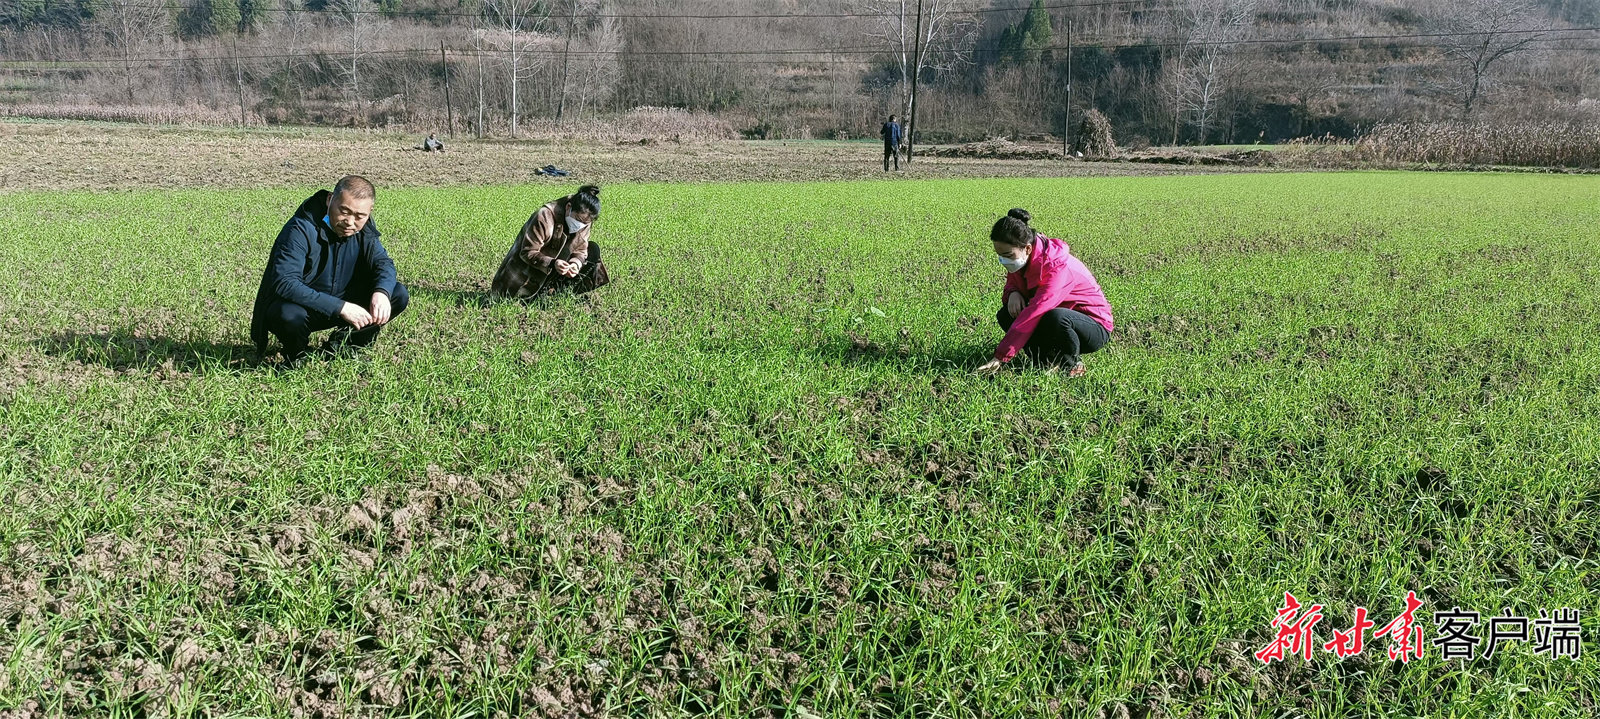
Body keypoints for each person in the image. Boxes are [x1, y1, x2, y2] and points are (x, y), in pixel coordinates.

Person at [249, 175, 409, 365]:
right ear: (329, 199)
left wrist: (381, 293)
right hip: (304, 307)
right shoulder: (300, 228)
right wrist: (340, 307)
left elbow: (383, 263)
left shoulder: (364, 229)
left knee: (396, 293)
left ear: (369, 212)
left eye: (359, 216)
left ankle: (344, 346)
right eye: (344, 211)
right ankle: (296, 354)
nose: (350, 221)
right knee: (288, 315)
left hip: (344, 300)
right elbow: (285, 283)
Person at [977, 208, 1113, 377]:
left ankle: (1071, 365)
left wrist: (1000, 356)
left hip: (1092, 326)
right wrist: (1012, 293)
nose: (1003, 261)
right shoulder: (1022, 260)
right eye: (999, 255)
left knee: (1056, 317)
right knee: (1006, 314)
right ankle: (1043, 361)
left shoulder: (1057, 268)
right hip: (1054, 317)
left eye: (1007, 255)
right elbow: (1013, 282)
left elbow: (1036, 312)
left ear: (1027, 248)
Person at [491, 184, 611, 299]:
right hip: (525, 271)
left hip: (554, 269)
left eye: (585, 223)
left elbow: (581, 250)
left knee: (592, 250)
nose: (580, 226)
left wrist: (575, 264)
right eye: (578, 220)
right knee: (513, 295)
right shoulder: (545, 215)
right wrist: (553, 263)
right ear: (568, 207)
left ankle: (556, 291)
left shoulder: (585, 221)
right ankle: (530, 293)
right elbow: (527, 252)